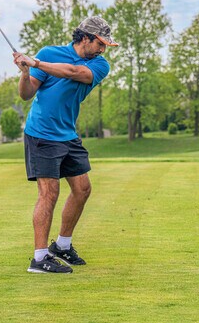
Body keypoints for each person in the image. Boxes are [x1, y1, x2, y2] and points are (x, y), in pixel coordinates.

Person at [12, 16, 119, 274]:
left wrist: (35, 62)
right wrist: (26, 73)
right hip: (42, 133)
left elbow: (74, 73)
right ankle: (39, 259)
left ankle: (62, 245)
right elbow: (26, 94)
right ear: (85, 38)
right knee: (49, 193)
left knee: (82, 189)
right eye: (100, 43)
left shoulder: (99, 65)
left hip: (67, 134)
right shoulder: (50, 52)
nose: (103, 50)